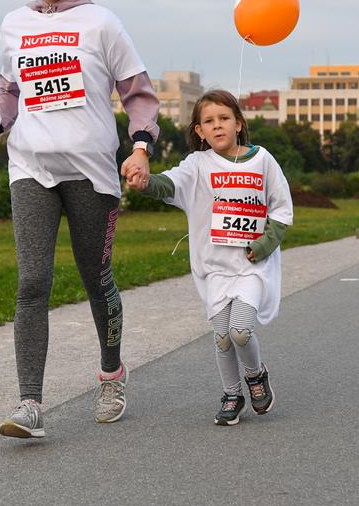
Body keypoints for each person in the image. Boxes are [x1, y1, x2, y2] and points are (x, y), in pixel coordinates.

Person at [0, 0, 159, 437]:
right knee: (32, 282)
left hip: (91, 173)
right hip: (30, 168)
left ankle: (112, 373)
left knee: (96, 277)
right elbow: (9, 93)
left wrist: (140, 149)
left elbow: (139, 95)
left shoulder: (102, 23)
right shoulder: (14, 24)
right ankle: (30, 404)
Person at [125, 89, 293, 426]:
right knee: (222, 337)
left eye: (224, 118)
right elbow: (170, 184)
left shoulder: (262, 160)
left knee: (240, 331)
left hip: (251, 267)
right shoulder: (197, 164)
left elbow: (282, 210)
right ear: (199, 130)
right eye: (209, 121)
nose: (217, 126)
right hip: (215, 269)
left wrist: (263, 245)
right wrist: (145, 182)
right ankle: (232, 395)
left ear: (238, 123)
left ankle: (255, 375)